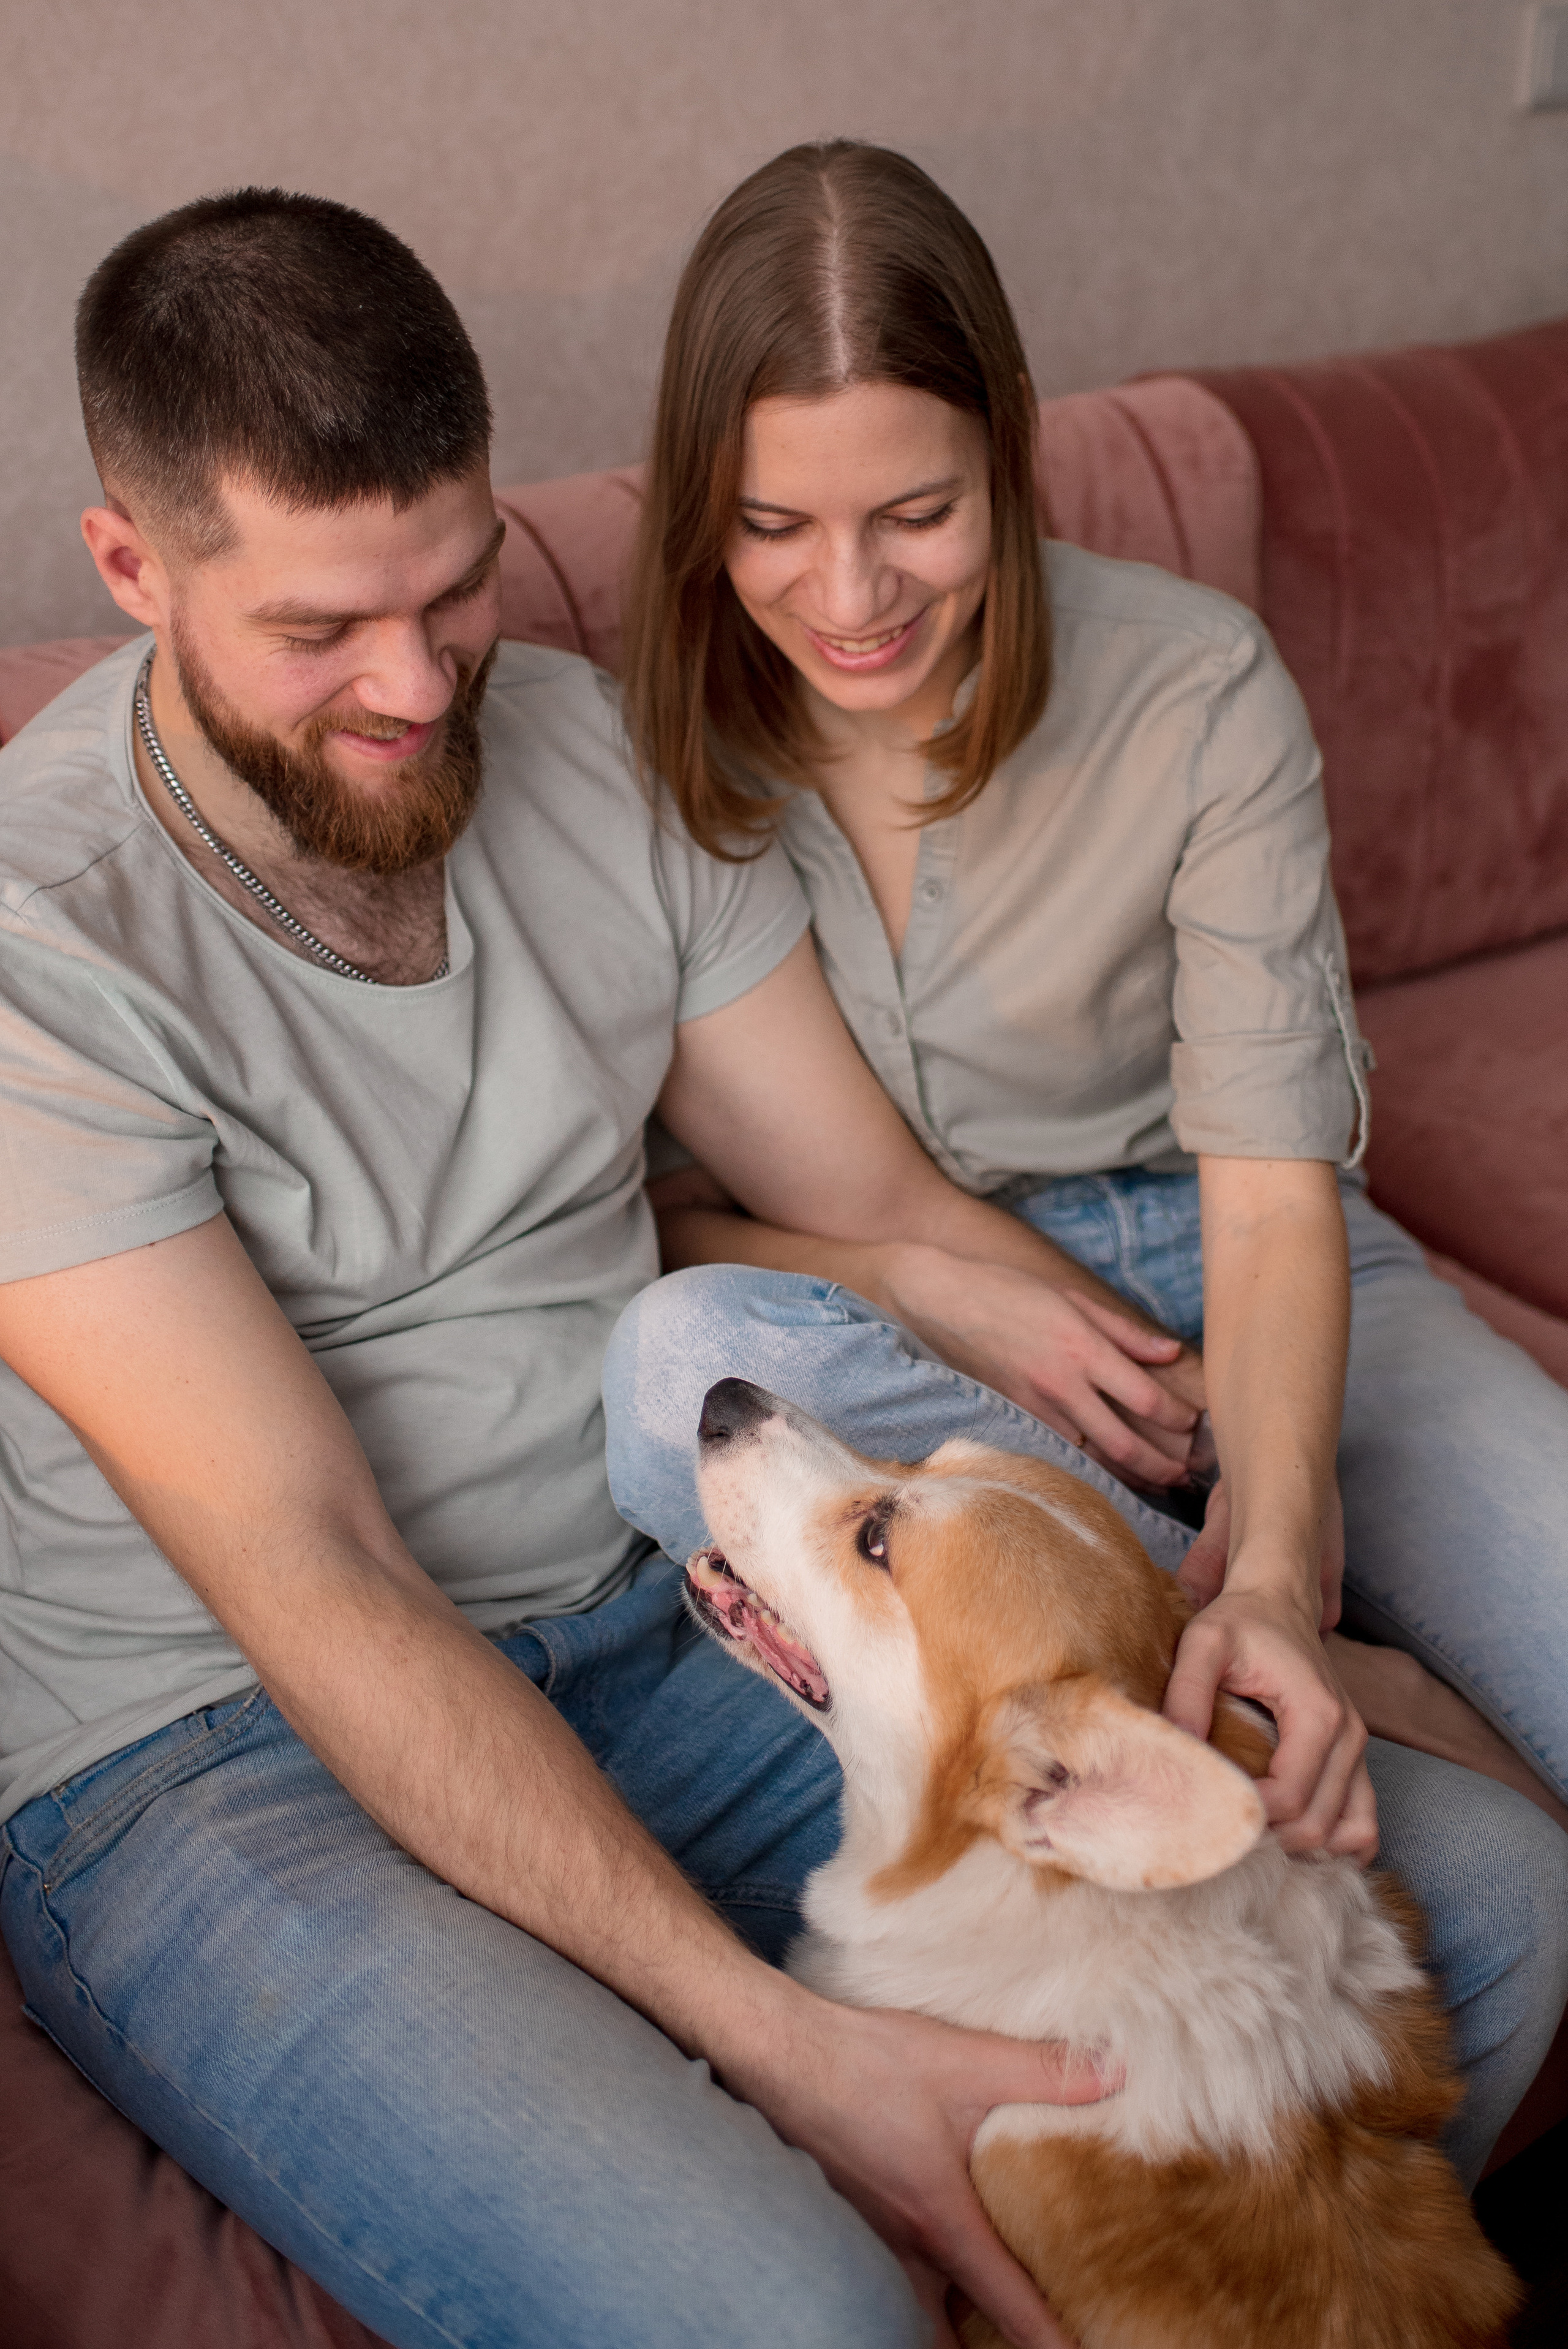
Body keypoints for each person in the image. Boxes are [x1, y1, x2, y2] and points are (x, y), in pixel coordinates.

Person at [0, 186, 1553, 2349]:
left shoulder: (578, 750)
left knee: (1485, 1898)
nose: (416, 681)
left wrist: (1218, 1554)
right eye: (320, 630)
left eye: (454, 589)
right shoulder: (43, 950)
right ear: (131, 568)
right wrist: (798, 2049)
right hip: (220, 1743)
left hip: (668, 1613)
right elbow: (316, 1566)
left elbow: (891, 1208)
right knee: (789, 2310)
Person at [603, 137, 1568, 2175]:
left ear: (1011, 457)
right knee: (678, 1353)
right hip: (888, 1354)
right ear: (700, 495)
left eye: (918, 515)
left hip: (1234, 1264)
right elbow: (646, 1223)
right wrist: (931, 1275)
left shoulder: (1195, 687)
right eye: (773, 523)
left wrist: (1286, 1567)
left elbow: (1275, 1184)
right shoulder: (629, 758)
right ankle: (1216, 1660)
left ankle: (1296, 1653)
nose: (849, 598)